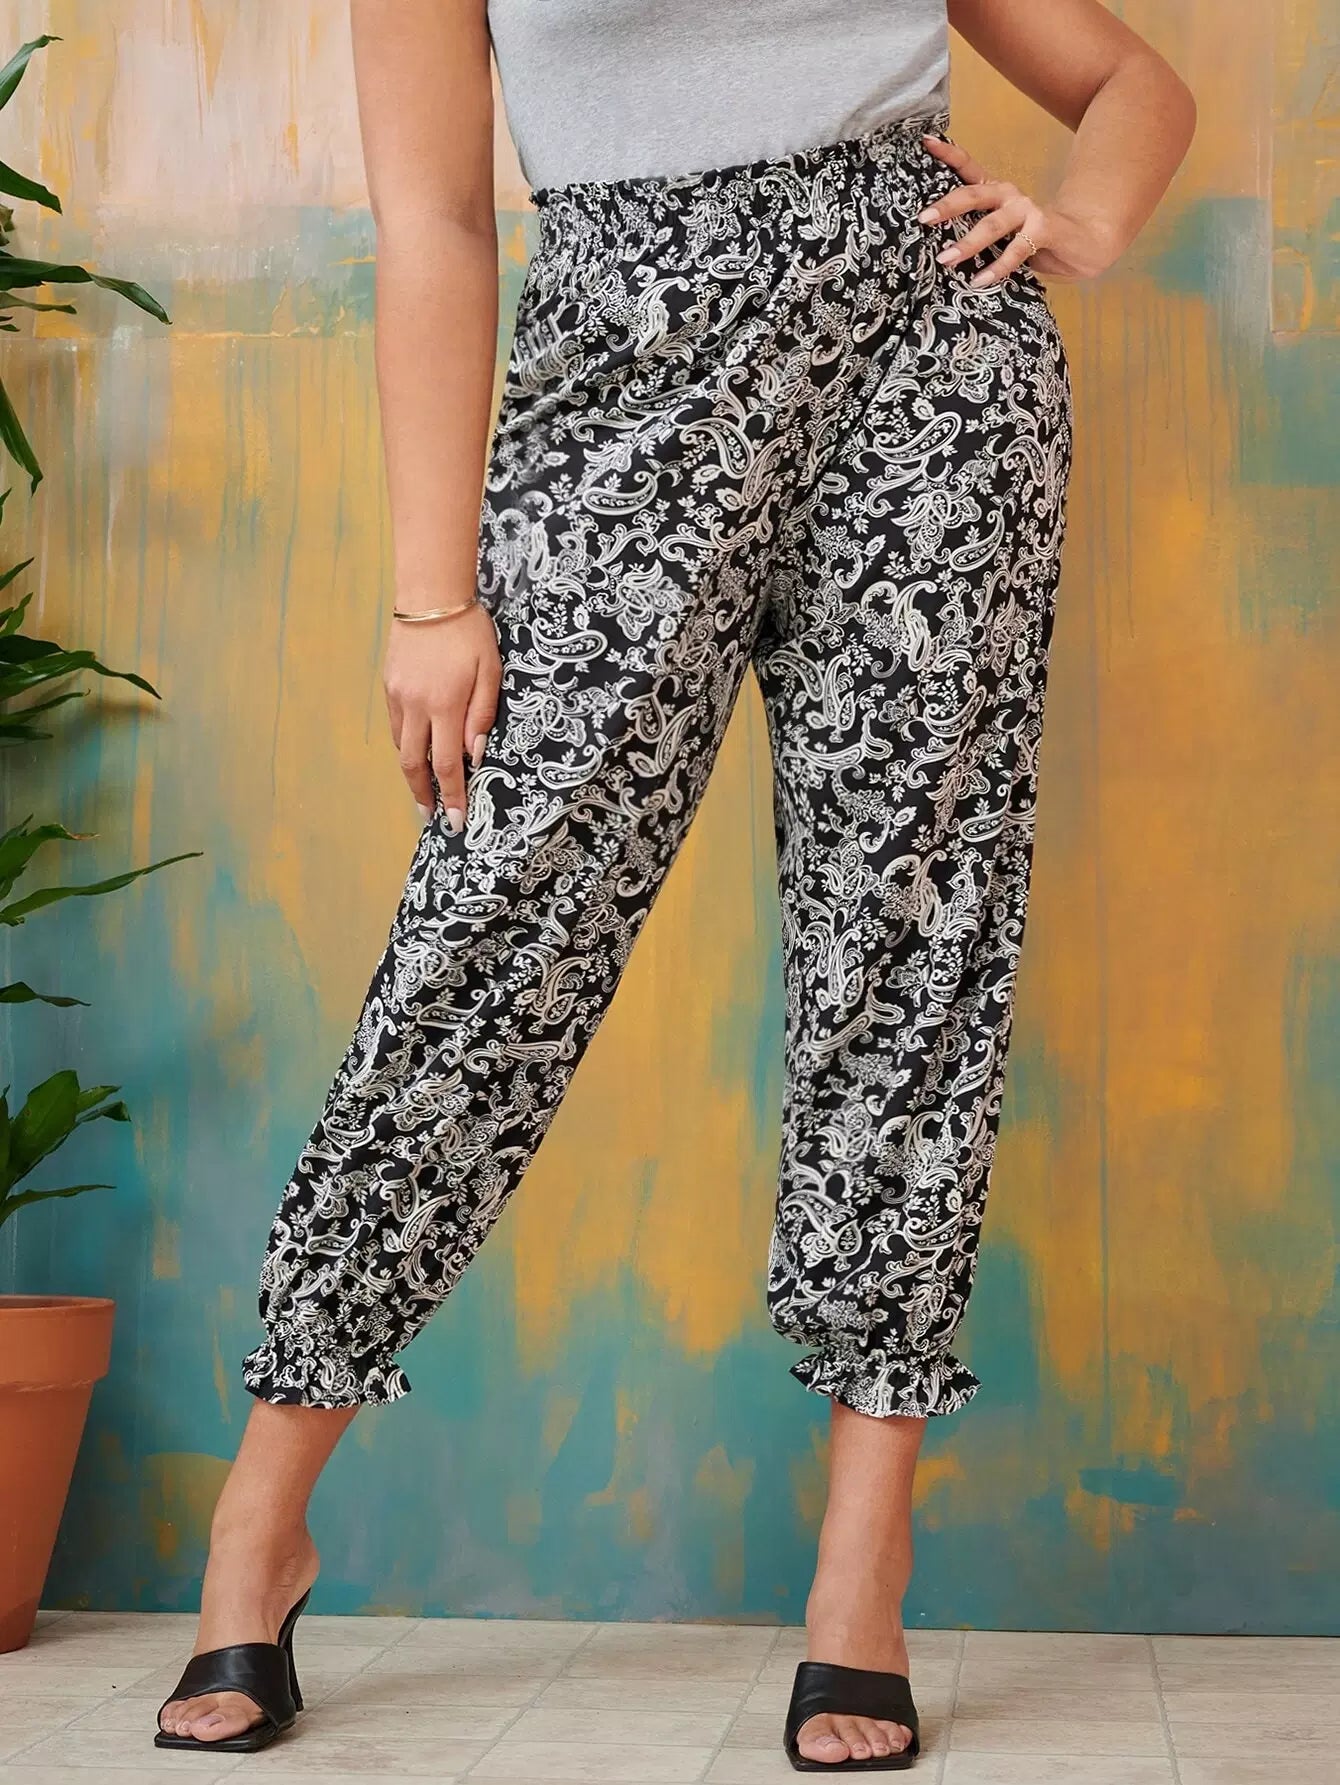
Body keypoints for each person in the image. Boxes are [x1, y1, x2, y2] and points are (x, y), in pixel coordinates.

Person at [155, 0, 1193, 1769]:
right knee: (494, 934)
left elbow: (1133, 85)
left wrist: (1084, 218)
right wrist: (432, 595)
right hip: (624, 370)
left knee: (912, 943)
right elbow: (438, 219)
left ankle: (862, 1573)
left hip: (934, 375)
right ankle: (260, 1523)